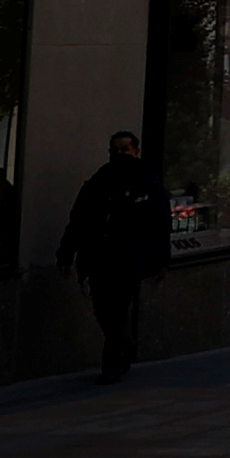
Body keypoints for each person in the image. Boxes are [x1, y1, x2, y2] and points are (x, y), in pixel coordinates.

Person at [55, 130, 167, 383]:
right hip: (98, 258)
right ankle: (124, 344)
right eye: (115, 150)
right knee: (103, 310)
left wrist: (162, 260)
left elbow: (160, 223)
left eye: (125, 149)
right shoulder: (99, 181)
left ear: (136, 151)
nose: (120, 154)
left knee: (116, 310)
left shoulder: (146, 183)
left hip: (128, 259)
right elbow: (78, 219)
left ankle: (112, 363)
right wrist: (65, 253)